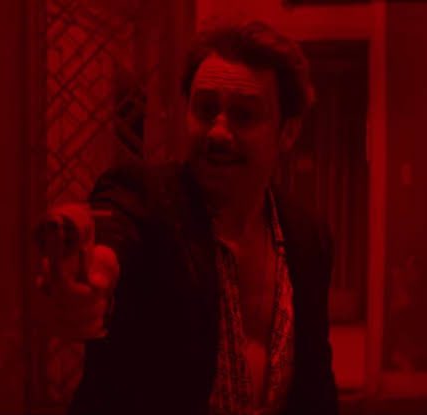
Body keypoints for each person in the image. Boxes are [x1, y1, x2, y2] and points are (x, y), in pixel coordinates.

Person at [37, 19, 338, 415]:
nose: (218, 132)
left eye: (244, 115)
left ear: (288, 133)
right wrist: (94, 270)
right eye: (205, 109)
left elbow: (315, 381)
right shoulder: (146, 198)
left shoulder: (307, 236)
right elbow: (117, 230)